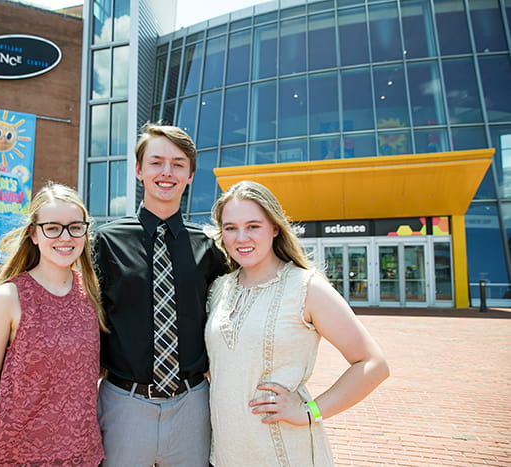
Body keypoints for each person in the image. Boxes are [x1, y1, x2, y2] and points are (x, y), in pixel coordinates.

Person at [205, 180, 389, 466]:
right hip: (225, 454)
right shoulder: (219, 288)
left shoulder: (307, 287)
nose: (241, 237)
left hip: (286, 453)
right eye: (230, 228)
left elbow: (373, 364)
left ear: (275, 228)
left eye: (253, 226)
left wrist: (309, 411)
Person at [93, 123, 227, 466]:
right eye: (156, 162)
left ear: (191, 176)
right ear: (139, 170)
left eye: (178, 164)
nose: (166, 172)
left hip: (192, 404)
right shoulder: (106, 242)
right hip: (125, 403)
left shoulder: (210, 247)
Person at [0, 182, 107, 466]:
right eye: (52, 227)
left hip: (84, 456)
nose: (65, 237)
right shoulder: (8, 297)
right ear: (34, 233)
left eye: (75, 227)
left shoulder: (92, 294)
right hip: (20, 455)